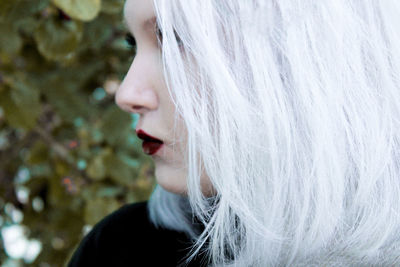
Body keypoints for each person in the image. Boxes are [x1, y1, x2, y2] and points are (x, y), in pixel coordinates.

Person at [68, 0, 400, 266]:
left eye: (174, 40)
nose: (127, 94)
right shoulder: (123, 248)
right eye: (133, 45)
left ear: (304, 57)